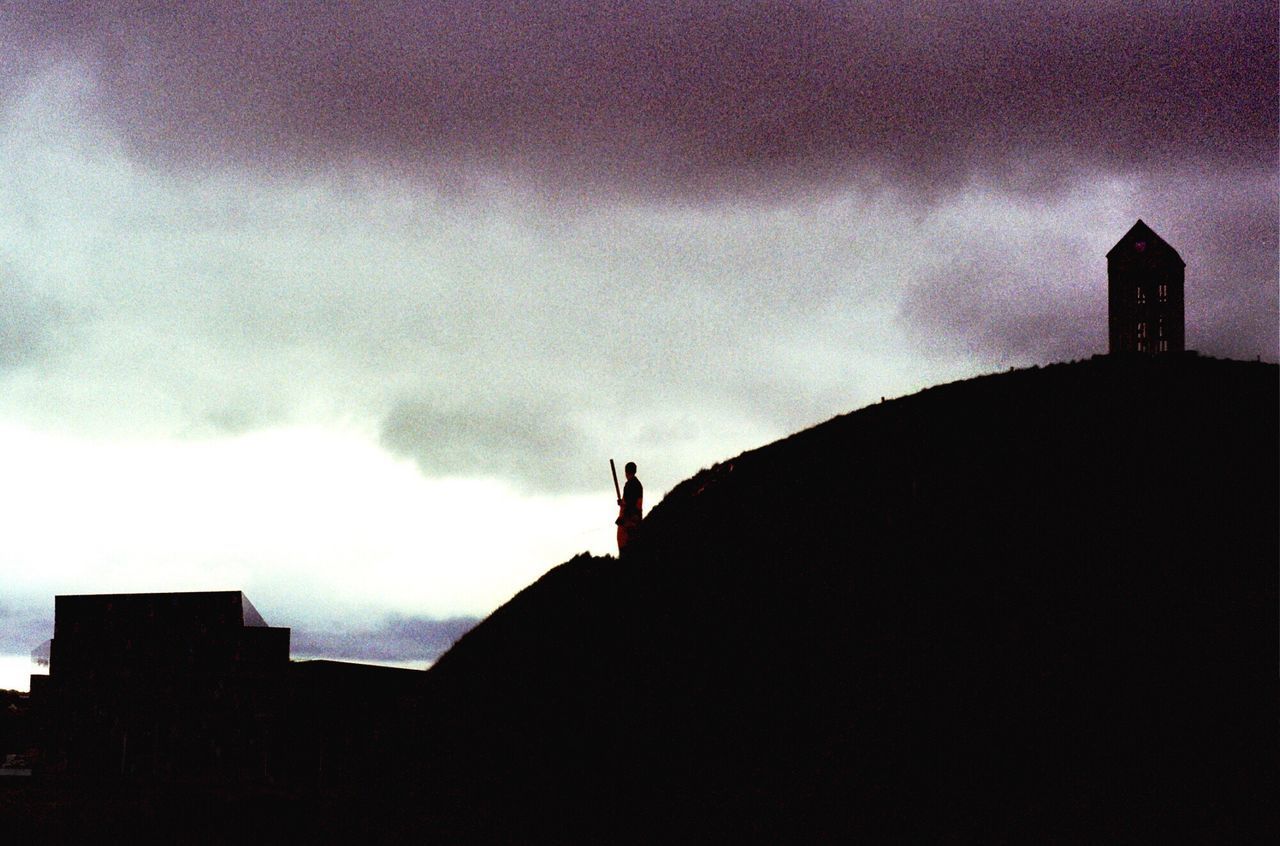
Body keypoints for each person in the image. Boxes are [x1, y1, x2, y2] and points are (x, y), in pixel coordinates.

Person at [616, 461, 643, 554]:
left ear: (626, 472)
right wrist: (622, 503)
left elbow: (630, 504)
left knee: (625, 545)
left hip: (629, 520)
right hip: (636, 518)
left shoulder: (629, 485)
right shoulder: (638, 485)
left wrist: (622, 505)